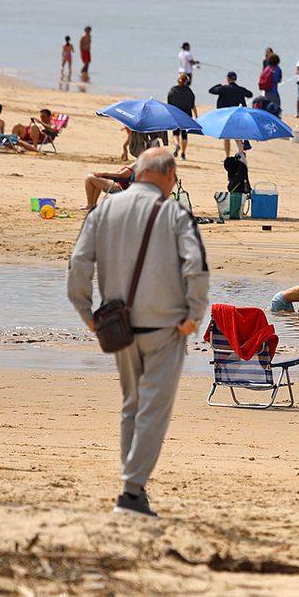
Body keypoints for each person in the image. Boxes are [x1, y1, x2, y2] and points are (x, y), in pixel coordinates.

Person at [67, 148, 210, 518]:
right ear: (168, 176)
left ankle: (133, 488)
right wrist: (194, 316)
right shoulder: (175, 213)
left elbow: (78, 264)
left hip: (119, 326)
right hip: (165, 327)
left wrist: (87, 313)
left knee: (132, 404)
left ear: (138, 172)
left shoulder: (104, 209)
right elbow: (196, 267)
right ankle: (131, 491)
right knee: (153, 408)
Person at [207, 71, 254, 156]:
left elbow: (211, 90)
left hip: (224, 116)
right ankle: (241, 153)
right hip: (235, 115)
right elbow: (250, 94)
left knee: (227, 137)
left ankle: (227, 156)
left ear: (228, 78)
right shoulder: (240, 89)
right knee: (236, 136)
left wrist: (220, 84)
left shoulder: (224, 88)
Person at [166, 72, 197, 160]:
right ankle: (183, 154)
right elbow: (192, 105)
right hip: (186, 115)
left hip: (176, 114)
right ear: (187, 81)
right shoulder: (189, 91)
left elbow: (169, 104)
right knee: (184, 135)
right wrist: (196, 116)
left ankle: (177, 145)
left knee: (175, 132)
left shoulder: (173, 90)